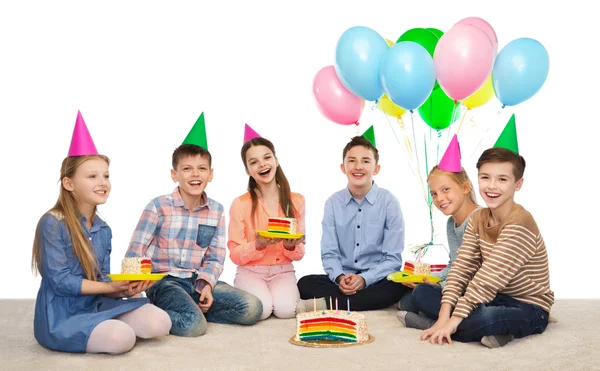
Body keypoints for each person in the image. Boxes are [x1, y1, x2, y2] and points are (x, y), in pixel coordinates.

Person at [33, 112, 171, 354]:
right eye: (92, 176)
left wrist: (124, 288)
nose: (103, 182)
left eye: (106, 176)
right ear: (69, 183)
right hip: (62, 314)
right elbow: (61, 282)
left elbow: (103, 277)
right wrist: (110, 289)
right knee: (121, 339)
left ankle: (104, 325)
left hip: (97, 303)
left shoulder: (103, 229)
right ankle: (104, 329)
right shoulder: (52, 223)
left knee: (160, 321)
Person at [413, 119, 554, 348]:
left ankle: (439, 324)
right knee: (422, 293)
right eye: (485, 177)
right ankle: (462, 326)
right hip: (493, 297)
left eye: (502, 179)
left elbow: (489, 276)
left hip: (527, 305)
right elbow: (462, 266)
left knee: (489, 318)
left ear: (518, 184)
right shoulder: (478, 218)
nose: (491, 186)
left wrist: (452, 321)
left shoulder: (520, 222)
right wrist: (443, 315)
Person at [125, 113, 262, 337]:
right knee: (194, 326)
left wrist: (207, 285)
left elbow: (215, 257)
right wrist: (133, 289)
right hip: (163, 282)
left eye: (202, 168)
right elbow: (135, 251)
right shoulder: (158, 206)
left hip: (196, 280)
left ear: (211, 174)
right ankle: (148, 313)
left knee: (252, 308)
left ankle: (191, 307)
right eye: (187, 168)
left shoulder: (216, 210)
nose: (195, 174)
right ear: (174, 174)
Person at [297, 127, 408, 311]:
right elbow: (329, 253)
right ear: (343, 167)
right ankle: (358, 300)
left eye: (365, 161)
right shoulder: (332, 203)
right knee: (304, 283)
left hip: (375, 278)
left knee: (397, 285)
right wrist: (341, 278)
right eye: (352, 161)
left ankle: (328, 303)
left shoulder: (389, 203)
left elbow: (392, 259)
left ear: (376, 168)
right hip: (343, 278)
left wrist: (364, 279)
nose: (358, 167)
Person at [397, 135, 480, 329]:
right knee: (409, 298)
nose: (439, 198)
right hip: (457, 287)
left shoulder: (479, 220)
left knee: (421, 296)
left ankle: (433, 324)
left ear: (465, 187)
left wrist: (440, 287)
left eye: (445, 190)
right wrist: (430, 279)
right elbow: (454, 264)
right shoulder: (452, 223)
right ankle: (447, 321)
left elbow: (477, 272)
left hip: (477, 291)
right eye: (434, 193)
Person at [228, 125, 306, 320]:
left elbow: (300, 253)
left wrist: (291, 247)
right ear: (248, 170)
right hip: (251, 272)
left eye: (267, 157)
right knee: (261, 311)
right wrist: (257, 245)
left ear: (276, 160)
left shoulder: (296, 201)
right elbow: (235, 254)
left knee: (287, 310)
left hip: (283, 271)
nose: (262, 164)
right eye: (254, 162)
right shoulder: (240, 204)